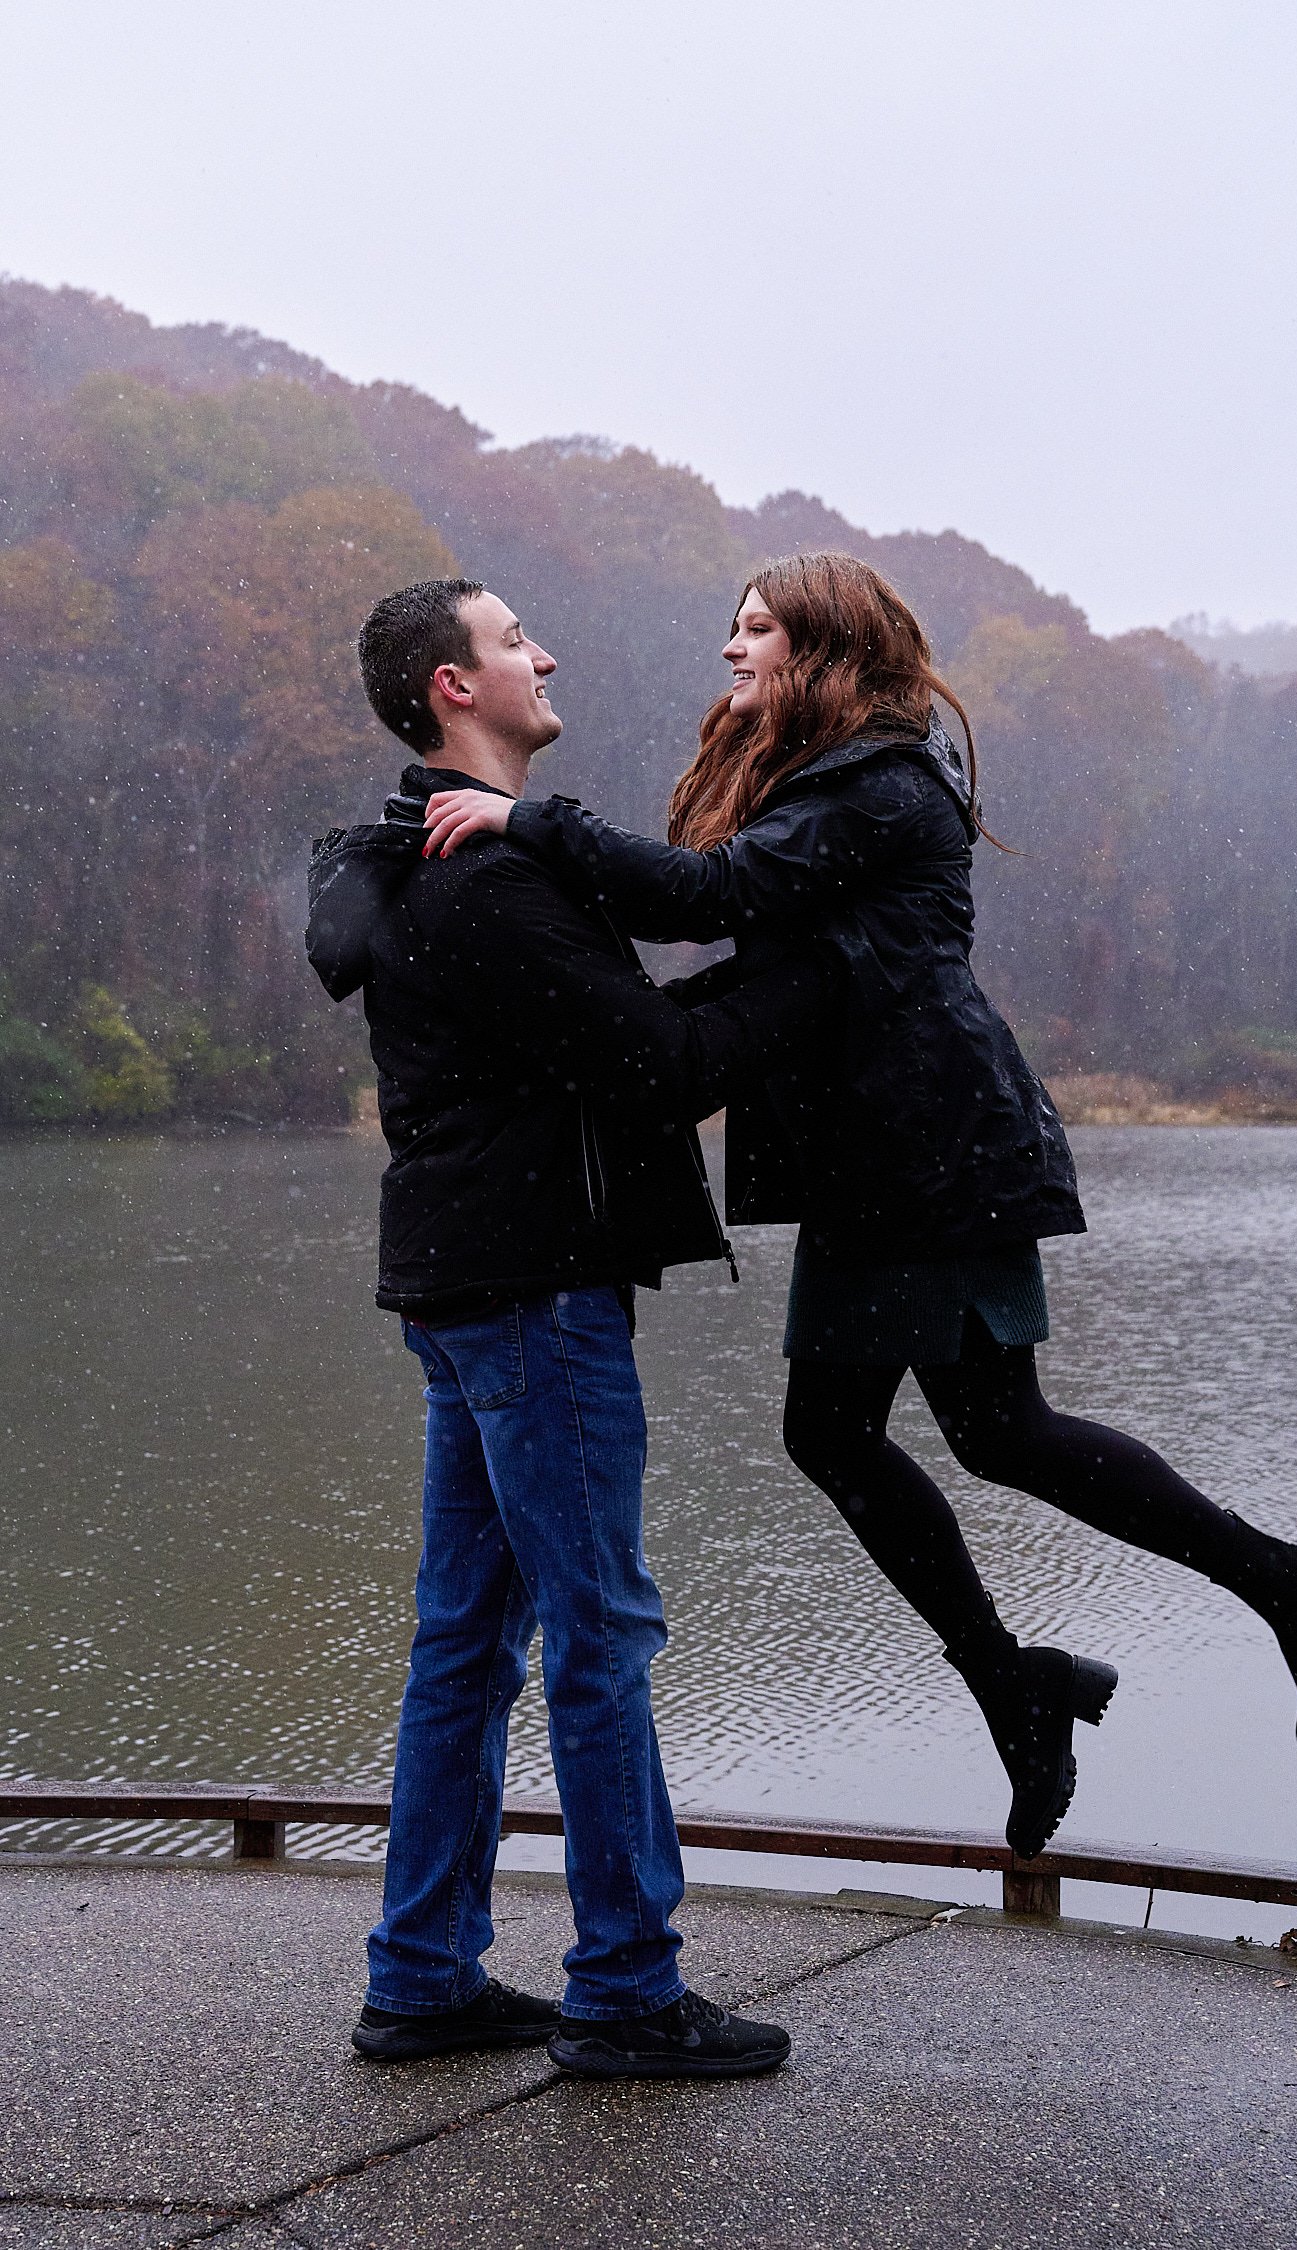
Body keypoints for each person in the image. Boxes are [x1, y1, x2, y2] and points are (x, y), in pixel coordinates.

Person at [420, 551, 1297, 1863]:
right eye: (732, 625)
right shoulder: (837, 781)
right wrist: (630, 1038)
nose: (732, 650)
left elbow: (709, 900)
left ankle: (1203, 1617)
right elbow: (787, 973)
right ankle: (1198, 1618)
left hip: (934, 1152)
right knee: (964, 1429)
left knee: (931, 1430)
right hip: (899, 1155)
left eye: (757, 627)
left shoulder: (883, 781)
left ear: (827, 646)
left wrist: (523, 821)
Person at [307, 576, 839, 2078]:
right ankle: (626, 1987)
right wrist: (813, 970)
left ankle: (420, 1974)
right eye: (512, 638)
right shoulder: (486, 883)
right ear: (452, 690)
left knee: (465, 1644)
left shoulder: (424, 863)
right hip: (534, 1298)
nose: (545, 650)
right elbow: (661, 1061)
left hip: (464, 1287)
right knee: (599, 1634)